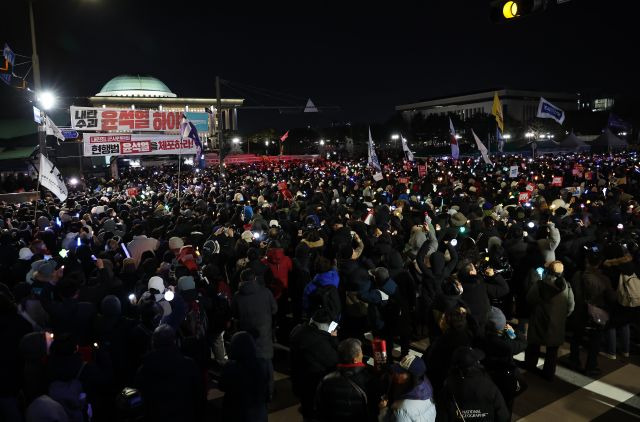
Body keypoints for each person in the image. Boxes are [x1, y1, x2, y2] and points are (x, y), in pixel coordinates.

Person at [134, 324, 205, 422]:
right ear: (175, 341)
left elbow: (141, 401)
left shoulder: (143, 370)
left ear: (153, 343)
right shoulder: (189, 364)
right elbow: (199, 395)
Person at [525, 261, 575, 381]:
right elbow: (571, 306)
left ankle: (530, 366)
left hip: (539, 320)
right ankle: (548, 373)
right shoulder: (566, 285)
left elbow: (530, 299)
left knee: (534, 345)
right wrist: (562, 315)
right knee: (552, 351)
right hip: (556, 323)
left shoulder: (540, 285)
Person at [289, 308, 339, 420]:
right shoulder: (318, 342)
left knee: (307, 412)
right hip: (314, 385)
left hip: (301, 382)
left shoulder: (298, 330)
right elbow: (334, 360)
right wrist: (333, 339)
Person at [438, 346, 510, 422]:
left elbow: (442, 418)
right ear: (476, 364)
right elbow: (503, 416)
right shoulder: (489, 387)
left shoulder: (447, 389)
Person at [315, 338, 380, 422]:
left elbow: (319, 408)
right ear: (355, 360)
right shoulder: (368, 379)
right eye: (361, 353)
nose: (362, 355)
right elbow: (374, 409)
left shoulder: (326, 380)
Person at [219, 331, 271, 422]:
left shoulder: (230, 367)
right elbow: (268, 389)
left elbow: (222, 386)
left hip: (235, 412)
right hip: (258, 413)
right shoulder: (263, 363)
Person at [231, 269, 278, 362]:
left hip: (246, 332)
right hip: (264, 333)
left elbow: (234, 314)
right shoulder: (266, 292)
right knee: (265, 362)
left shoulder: (237, 296)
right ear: (255, 278)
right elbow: (274, 309)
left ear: (241, 279)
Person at [379, 354, 436, 422]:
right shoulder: (424, 384)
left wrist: (383, 410)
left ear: (412, 378)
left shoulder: (402, 410)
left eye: (400, 372)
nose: (395, 373)